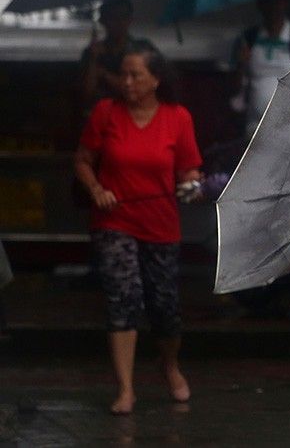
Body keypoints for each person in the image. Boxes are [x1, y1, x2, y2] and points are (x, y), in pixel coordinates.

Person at [73, 41, 202, 415]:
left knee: (164, 307)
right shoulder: (105, 113)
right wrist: (96, 189)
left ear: (155, 80)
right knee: (122, 298)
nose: (126, 82)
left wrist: (194, 186)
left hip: (161, 223)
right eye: (123, 75)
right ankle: (126, 388)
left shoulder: (178, 118)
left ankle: (169, 365)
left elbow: (189, 171)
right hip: (114, 221)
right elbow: (82, 160)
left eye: (135, 75)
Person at [229, 0, 290, 136]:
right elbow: (233, 90)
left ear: (285, 3)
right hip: (255, 130)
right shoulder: (247, 40)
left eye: (276, 1)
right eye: (267, 1)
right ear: (259, 4)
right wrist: (241, 64)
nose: (272, 7)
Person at [79, 0, 155, 109]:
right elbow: (86, 93)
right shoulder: (93, 51)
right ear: (103, 20)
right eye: (113, 18)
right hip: (103, 113)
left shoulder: (143, 48)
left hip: (134, 112)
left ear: (130, 20)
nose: (119, 22)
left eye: (123, 17)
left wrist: (105, 74)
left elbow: (141, 88)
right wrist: (93, 59)